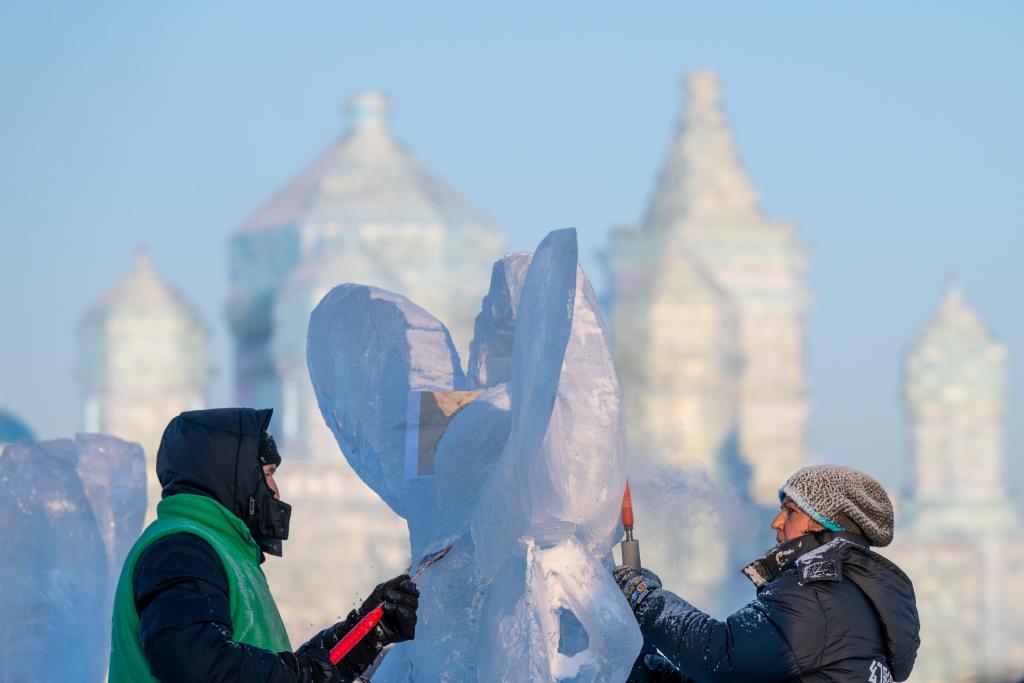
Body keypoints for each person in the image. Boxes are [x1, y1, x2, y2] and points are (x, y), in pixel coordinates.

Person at [109, 407, 419, 682]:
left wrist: (366, 631)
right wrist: (301, 675)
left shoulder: (218, 550)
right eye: (267, 474)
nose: (276, 490)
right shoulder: (181, 550)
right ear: (232, 476)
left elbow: (272, 667)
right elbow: (193, 662)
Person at [615, 464, 921, 683]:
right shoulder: (849, 595)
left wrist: (644, 596)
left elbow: (724, 658)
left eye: (790, 511)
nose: (777, 522)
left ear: (822, 523)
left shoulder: (822, 591)